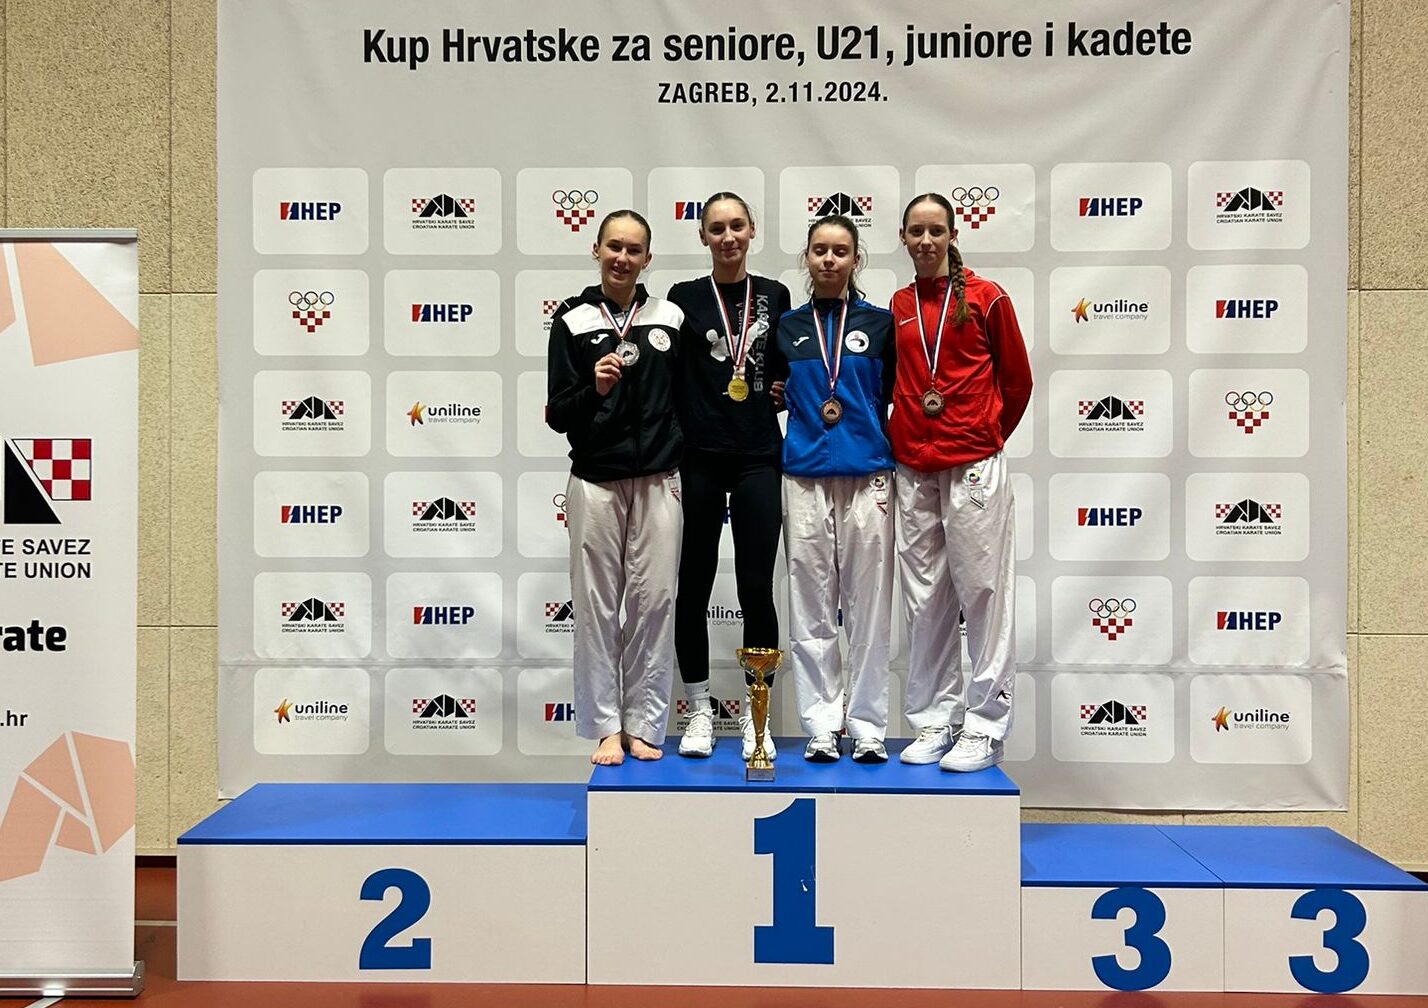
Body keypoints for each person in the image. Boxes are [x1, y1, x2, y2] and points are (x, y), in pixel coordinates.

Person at [889, 193, 1032, 772]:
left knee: (983, 594)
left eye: (935, 231)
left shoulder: (987, 297)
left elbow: (1017, 381)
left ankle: (986, 726)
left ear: (952, 234)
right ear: (903, 238)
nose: (925, 241)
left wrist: (985, 432)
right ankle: (933, 720)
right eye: (916, 232)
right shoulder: (899, 304)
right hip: (913, 465)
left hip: (972, 462)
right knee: (925, 598)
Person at [545, 209, 685, 766]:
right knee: (596, 606)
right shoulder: (572, 319)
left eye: (633, 249)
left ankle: (644, 723)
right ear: (596, 250)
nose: (622, 258)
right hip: (596, 480)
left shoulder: (669, 317)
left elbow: (691, 398)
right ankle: (606, 726)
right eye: (614, 247)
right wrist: (595, 389)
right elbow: (558, 413)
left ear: (648, 258)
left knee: (656, 603)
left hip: (658, 478)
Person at [665, 193, 792, 760]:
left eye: (737, 226)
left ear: (752, 230)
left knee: (755, 586)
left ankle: (755, 716)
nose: (728, 237)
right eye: (716, 228)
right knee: (692, 583)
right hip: (699, 456)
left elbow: (785, 368)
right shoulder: (684, 297)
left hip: (758, 455)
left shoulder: (775, 295)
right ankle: (697, 709)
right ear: (703, 237)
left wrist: (784, 389)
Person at [777, 215, 895, 764]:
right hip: (804, 473)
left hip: (867, 471)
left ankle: (868, 725)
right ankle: (822, 724)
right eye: (820, 250)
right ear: (807, 257)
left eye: (840, 251)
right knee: (811, 606)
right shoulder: (787, 327)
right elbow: (776, 390)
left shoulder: (880, 323)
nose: (829, 259)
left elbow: (890, 393)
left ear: (855, 259)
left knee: (868, 606)